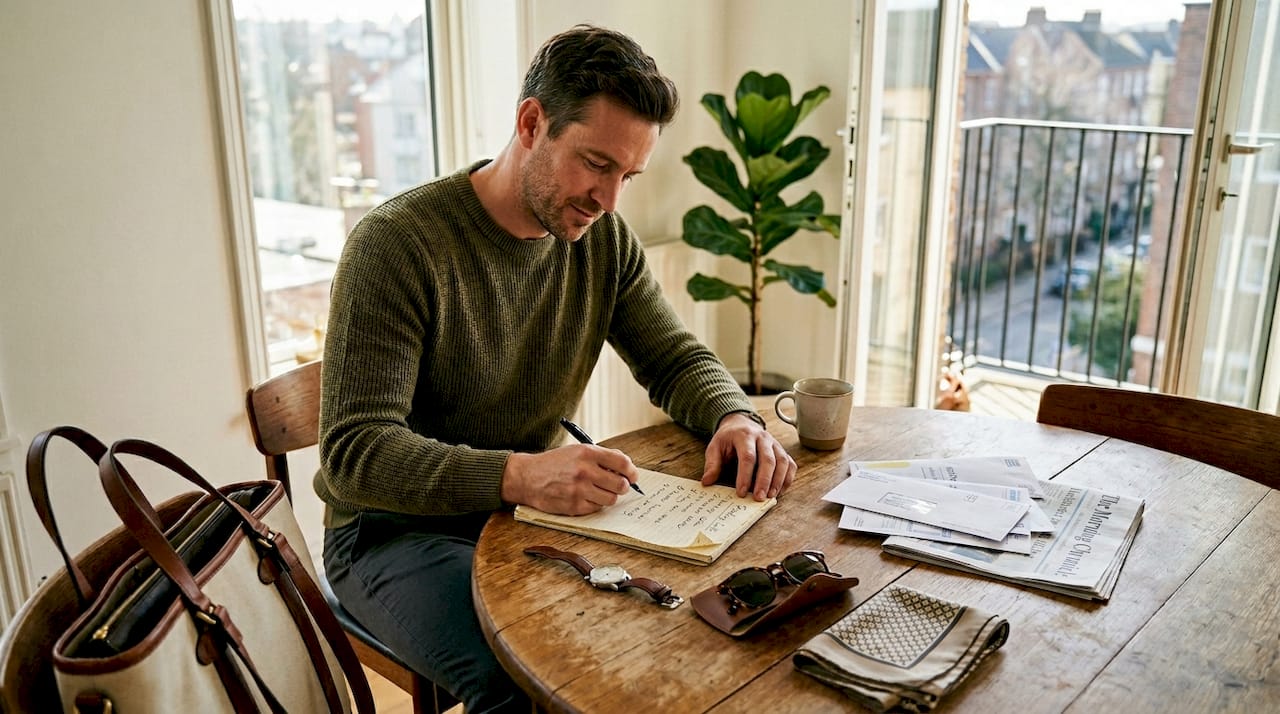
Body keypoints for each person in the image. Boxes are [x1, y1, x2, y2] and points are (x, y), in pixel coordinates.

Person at [316, 24, 797, 712]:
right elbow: (354, 455)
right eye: (596, 164)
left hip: (516, 515)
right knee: (531, 679)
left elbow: (673, 356)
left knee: (659, 634)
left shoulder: (602, 240)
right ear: (532, 122)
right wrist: (519, 472)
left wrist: (735, 414)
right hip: (391, 533)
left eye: (627, 176)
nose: (608, 200)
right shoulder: (396, 246)